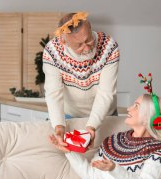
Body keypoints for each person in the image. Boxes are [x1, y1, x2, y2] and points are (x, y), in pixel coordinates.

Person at [43, 12, 120, 148]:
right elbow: (53, 92)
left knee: (109, 154)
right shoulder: (52, 51)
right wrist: (59, 126)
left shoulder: (109, 46)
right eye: (79, 45)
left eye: (88, 39)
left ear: (90, 28)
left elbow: (106, 93)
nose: (87, 47)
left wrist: (92, 126)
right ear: (64, 42)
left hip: (105, 115)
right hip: (70, 116)